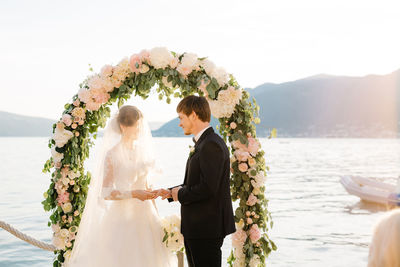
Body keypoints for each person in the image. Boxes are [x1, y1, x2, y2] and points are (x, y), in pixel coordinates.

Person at [66, 105, 176, 267]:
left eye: (140, 126)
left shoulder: (142, 151)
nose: (140, 131)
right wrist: (133, 193)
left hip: (147, 217)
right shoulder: (112, 155)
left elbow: (146, 184)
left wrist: (156, 211)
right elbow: (106, 192)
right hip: (122, 218)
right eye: (136, 127)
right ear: (124, 127)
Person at [154, 95, 236, 267]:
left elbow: (208, 188)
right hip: (200, 227)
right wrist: (171, 192)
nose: (179, 123)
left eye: (181, 118)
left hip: (206, 228)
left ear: (193, 115)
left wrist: (180, 194)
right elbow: (198, 181)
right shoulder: (204, 143)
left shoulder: (210, 144)